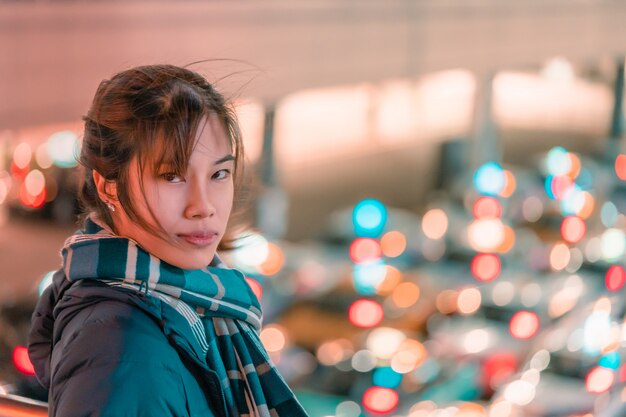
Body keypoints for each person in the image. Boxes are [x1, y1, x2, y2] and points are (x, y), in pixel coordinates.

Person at [27, 64, 308, 417]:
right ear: (108, 185)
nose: (203, 206)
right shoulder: (121, 349)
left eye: (218, 173)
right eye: (171, 176)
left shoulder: (195, 298)